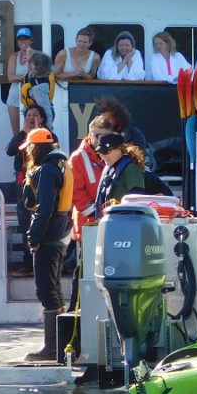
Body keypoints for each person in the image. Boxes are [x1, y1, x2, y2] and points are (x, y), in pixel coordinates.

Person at [20, 127, 73, 362]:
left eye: (30, 148)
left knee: (46, 290)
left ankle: (52, 348)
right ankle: (59, 345)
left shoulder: (46, 170)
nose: (28, 152)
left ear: (36, 148)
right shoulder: (61, 164)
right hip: (61, 232)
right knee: (54, 290)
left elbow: (44, 208)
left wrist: (34, 236)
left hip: (49, 236)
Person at [66, 115, 113, 309]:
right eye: (97, 135)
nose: (100, 140)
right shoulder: (78, 158)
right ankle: (75, 314)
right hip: (89, 226)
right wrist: (98, 213)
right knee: (84, 273)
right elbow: (75, 194)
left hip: (105, 224)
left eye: (105, 136)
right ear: (89, 134)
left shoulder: (108, 154)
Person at [5, 103, 47, 277]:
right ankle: (27, 264)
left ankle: (42, 264)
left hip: (43, 184)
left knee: (42, 223)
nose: (31, 118)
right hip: (23, 186)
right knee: (24, 224)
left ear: (42, 119)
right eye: (28, 115)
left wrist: (37, 132)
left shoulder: (48, 136)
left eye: (35, 115)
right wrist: (24, 133)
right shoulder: (21, 137)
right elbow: (9, 151)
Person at [93, 132, 147, 217]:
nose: (103, 156)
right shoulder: (109, 170)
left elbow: (137, 202)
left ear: (119, 149)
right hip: (111, 221)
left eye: (106, 151)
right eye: (101, 152)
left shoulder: (131, 168)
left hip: (125, 221)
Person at [6, 27, 36, 133]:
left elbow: (36, 75)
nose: (22, 41)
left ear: (31, 40)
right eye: (20, 39)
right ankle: (17, 150)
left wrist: (29, 57)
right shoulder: (14, 56)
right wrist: (26, 77)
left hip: (31, 96)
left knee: (31, 130)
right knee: (16, 132)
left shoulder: (37, 55)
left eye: (25, 38)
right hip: (14, 96)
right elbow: (10, 77)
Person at [20, 52, 57, 128]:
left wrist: (47, 130)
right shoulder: (35, 78)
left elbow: (46, 111)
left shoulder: (39, 88)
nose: (28, 64)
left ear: (36, 67)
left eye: (31, 63)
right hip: (32, 115)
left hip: (39, 119)